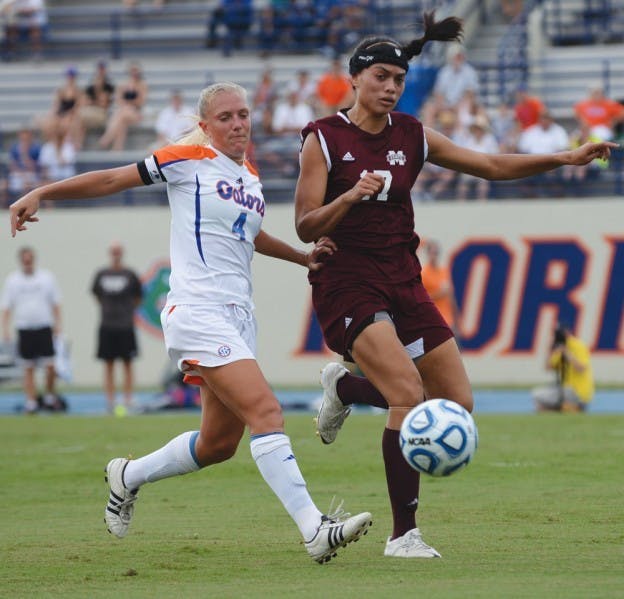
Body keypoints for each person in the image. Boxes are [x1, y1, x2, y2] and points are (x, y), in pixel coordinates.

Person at [294, 11, 616, 559]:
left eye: (398, 79)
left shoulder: (413, 134)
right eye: (381, 78)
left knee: (457, 402)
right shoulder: (324, 140)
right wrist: (349, 198)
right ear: (356, 78)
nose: (391, 87)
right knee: (404, 394)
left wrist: (563, 156)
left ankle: (343, 389)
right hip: (349, 281)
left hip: (402, 277)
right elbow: (304, 224)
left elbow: (489, 164)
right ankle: (403, 536)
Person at [8, 81, 372, 564]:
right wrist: (43, 191)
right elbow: (113, 180)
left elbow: (252, 235)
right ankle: (314, 529)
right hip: (198, 309)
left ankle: (128, 476)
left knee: (219, 444)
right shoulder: (186, 159)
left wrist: (302, 258)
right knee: (266, 412)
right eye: (226, 117)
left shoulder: (249, 176)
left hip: (240, 316)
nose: (239, 123)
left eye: (243, 114)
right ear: (205, 125)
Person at [0, 246, 63, 413]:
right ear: (21, 261)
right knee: (28, 367)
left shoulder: (46, 278)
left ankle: (49, 397)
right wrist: (5, 328)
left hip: (43, 326)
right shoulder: (13, 280)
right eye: (25, 260)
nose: (28, 263)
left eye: (30, 260)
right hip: (24, 328)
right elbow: (6, 307)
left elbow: (55, 303)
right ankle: (31, 402)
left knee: (50, 366)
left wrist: (58, 325)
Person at [91, 242, 143, 414]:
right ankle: (110, 400)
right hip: (107, 325)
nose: (116, 254)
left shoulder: (130, 274)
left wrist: (126, 312)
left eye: (118, 251)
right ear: (109, 253)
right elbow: (97, 295)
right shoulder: (101, 274)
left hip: (125, 325)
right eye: (113, 251)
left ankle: (128, 398)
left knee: (128, 363)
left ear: (122, 253)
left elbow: (138, 297)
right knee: (108, 364)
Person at [532, 323, 594, 412]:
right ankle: (566, 409)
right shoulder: (560, 347)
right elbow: (548, 367)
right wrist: (550, 351)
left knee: (564, 393)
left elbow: (581, 368)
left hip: (578, 391)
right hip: (564, 388)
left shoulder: (578, 345)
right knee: (537, 396)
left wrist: (566, 353)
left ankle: (571, 407)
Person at [98, 62, 148, 151]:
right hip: (124, 112)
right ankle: (117, 148)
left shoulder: (142, 85)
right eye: (132, 70)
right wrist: (128, 104)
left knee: (122, 113)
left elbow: (140, 102)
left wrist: (128, 102)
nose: (134, 73)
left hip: (136, 113)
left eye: (136, 70)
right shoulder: (124, 85)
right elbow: (118, 100)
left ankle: (107, 138)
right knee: (122, 122)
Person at [419, 239, 460, 336]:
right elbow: (421, 298)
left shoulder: (444, 271)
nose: (434, 256)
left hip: (448, 319)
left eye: (436, 253)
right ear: (428, 254)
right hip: (434, 319)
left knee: (456, 348)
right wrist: (439, 294)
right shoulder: (424, 273)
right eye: (432, 253)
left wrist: (457, 318)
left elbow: (450, 296)